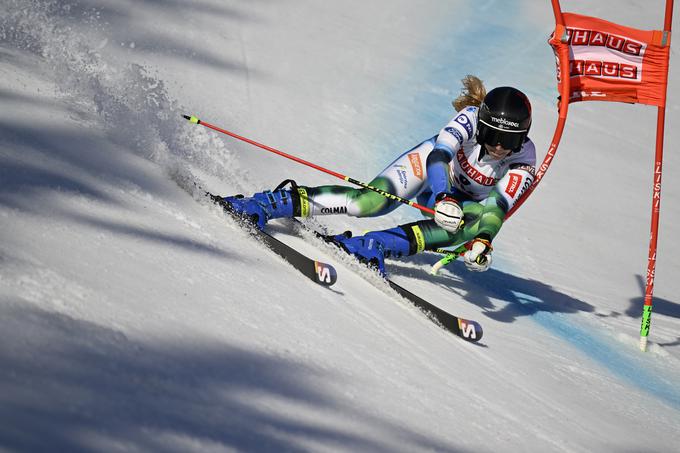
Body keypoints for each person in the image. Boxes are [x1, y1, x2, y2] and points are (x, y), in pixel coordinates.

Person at [222, 76, 536, 275]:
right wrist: (442, 196)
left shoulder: (525, 158)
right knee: (369, 204)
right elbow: (440, 155)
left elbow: (499, 204)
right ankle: (268, 203)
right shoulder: (468, 119)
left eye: (509, 140)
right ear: (481, 125)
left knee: (474, 222)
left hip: (461, 200)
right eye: (492, 135)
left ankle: (375, 246)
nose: (498, 147)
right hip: (434, 169)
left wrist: (484, 239)